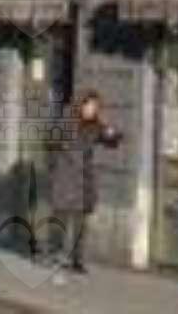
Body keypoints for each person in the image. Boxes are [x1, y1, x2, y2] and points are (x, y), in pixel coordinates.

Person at [46, 89, 122, 278]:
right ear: (81, 105)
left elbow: (111, 141)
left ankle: (77, 259)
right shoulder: (67, 122)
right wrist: (56, 163)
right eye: (89, 106)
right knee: (60, 218)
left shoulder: (94, 127)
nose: (92, 110)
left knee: (80, 222)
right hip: (65, 175)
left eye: (95, 107)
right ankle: (54, 253)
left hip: (82, 179)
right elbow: (50, 143)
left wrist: (112, 132)